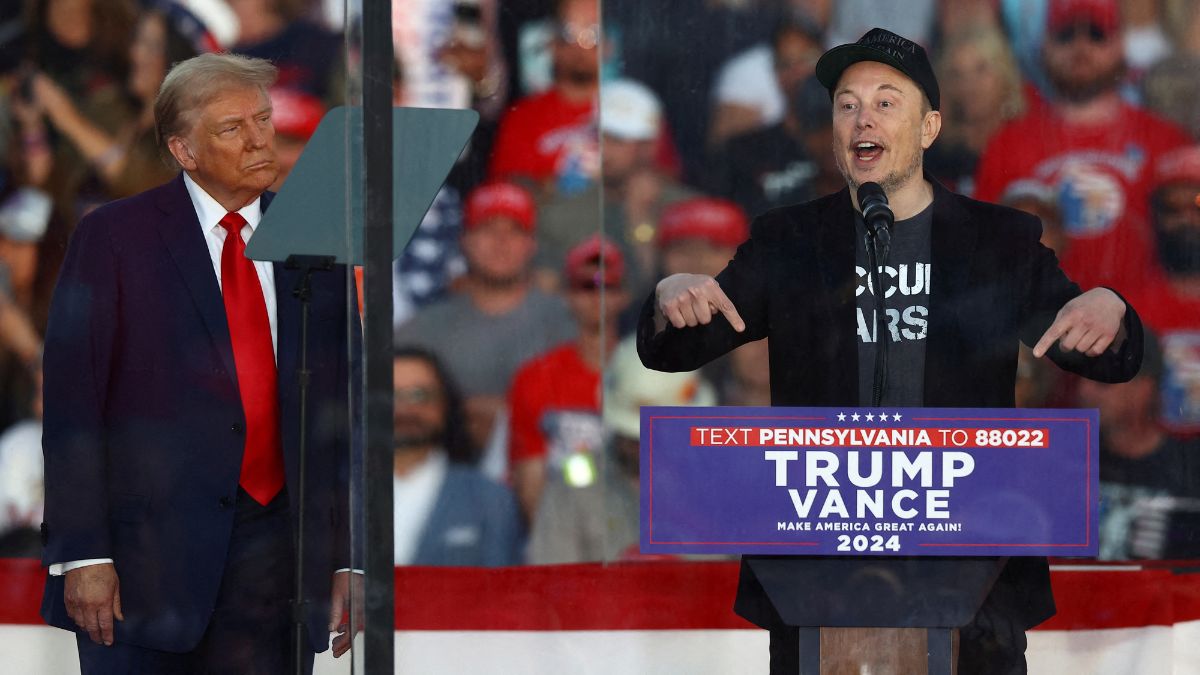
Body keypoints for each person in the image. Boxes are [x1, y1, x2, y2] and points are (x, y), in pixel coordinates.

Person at [637, 27, 1144, 674]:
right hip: (818, 578)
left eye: (885, 102)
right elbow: (678, 347)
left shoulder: (999, 242)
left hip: (973, 576)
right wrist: (669, 297)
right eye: (846, 105)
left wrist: (1111, 309)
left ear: (929, 127)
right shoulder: (788, 241)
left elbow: (1103, 355)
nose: (862, 119)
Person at [39, 53, 358, 673]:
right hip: (142, 570)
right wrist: (84, 553)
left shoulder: (316, 239)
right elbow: (75, 400)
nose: (259, 139)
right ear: (183, 150)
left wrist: (349, 556)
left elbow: (342, 407)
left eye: (262, 119)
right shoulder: (114, 237)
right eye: (232, 128)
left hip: (280, 565)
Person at [974, 0, 1192, 294]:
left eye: (1096, 34)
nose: (1081, 47)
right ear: (1044, 46)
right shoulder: (1007, 143)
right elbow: (982, 251)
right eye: (1066, 35)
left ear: (1121, 45)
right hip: (1041, 314)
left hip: (1144, 317)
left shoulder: (1166, 140)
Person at [394, 181, 574, 459]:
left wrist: (509, 417)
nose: (501, 242)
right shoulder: (420, 331)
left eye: (515, 230)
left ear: (532, 244)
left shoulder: (569, 323)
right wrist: (459, 417)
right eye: (487, 229)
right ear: (464, 240)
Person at [527, 335, 715, 564]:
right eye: (635, 436)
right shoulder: (573, 487)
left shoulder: (720, 486)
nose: (646, 444)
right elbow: (552, 577)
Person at [508, 235, 629, 523]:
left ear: (624, 296)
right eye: (586, 287)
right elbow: (530, 481)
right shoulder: (535, 377)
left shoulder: (651, 373)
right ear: (567, 296)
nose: (597, 297)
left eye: (608, 286)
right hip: (561, 526)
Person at [392, 346, 523, 567]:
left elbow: (503, 584)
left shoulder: (490, 499)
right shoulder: (342, 495)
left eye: (420, 395)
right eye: (392, 396)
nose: (405, 409)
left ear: (445, 404)